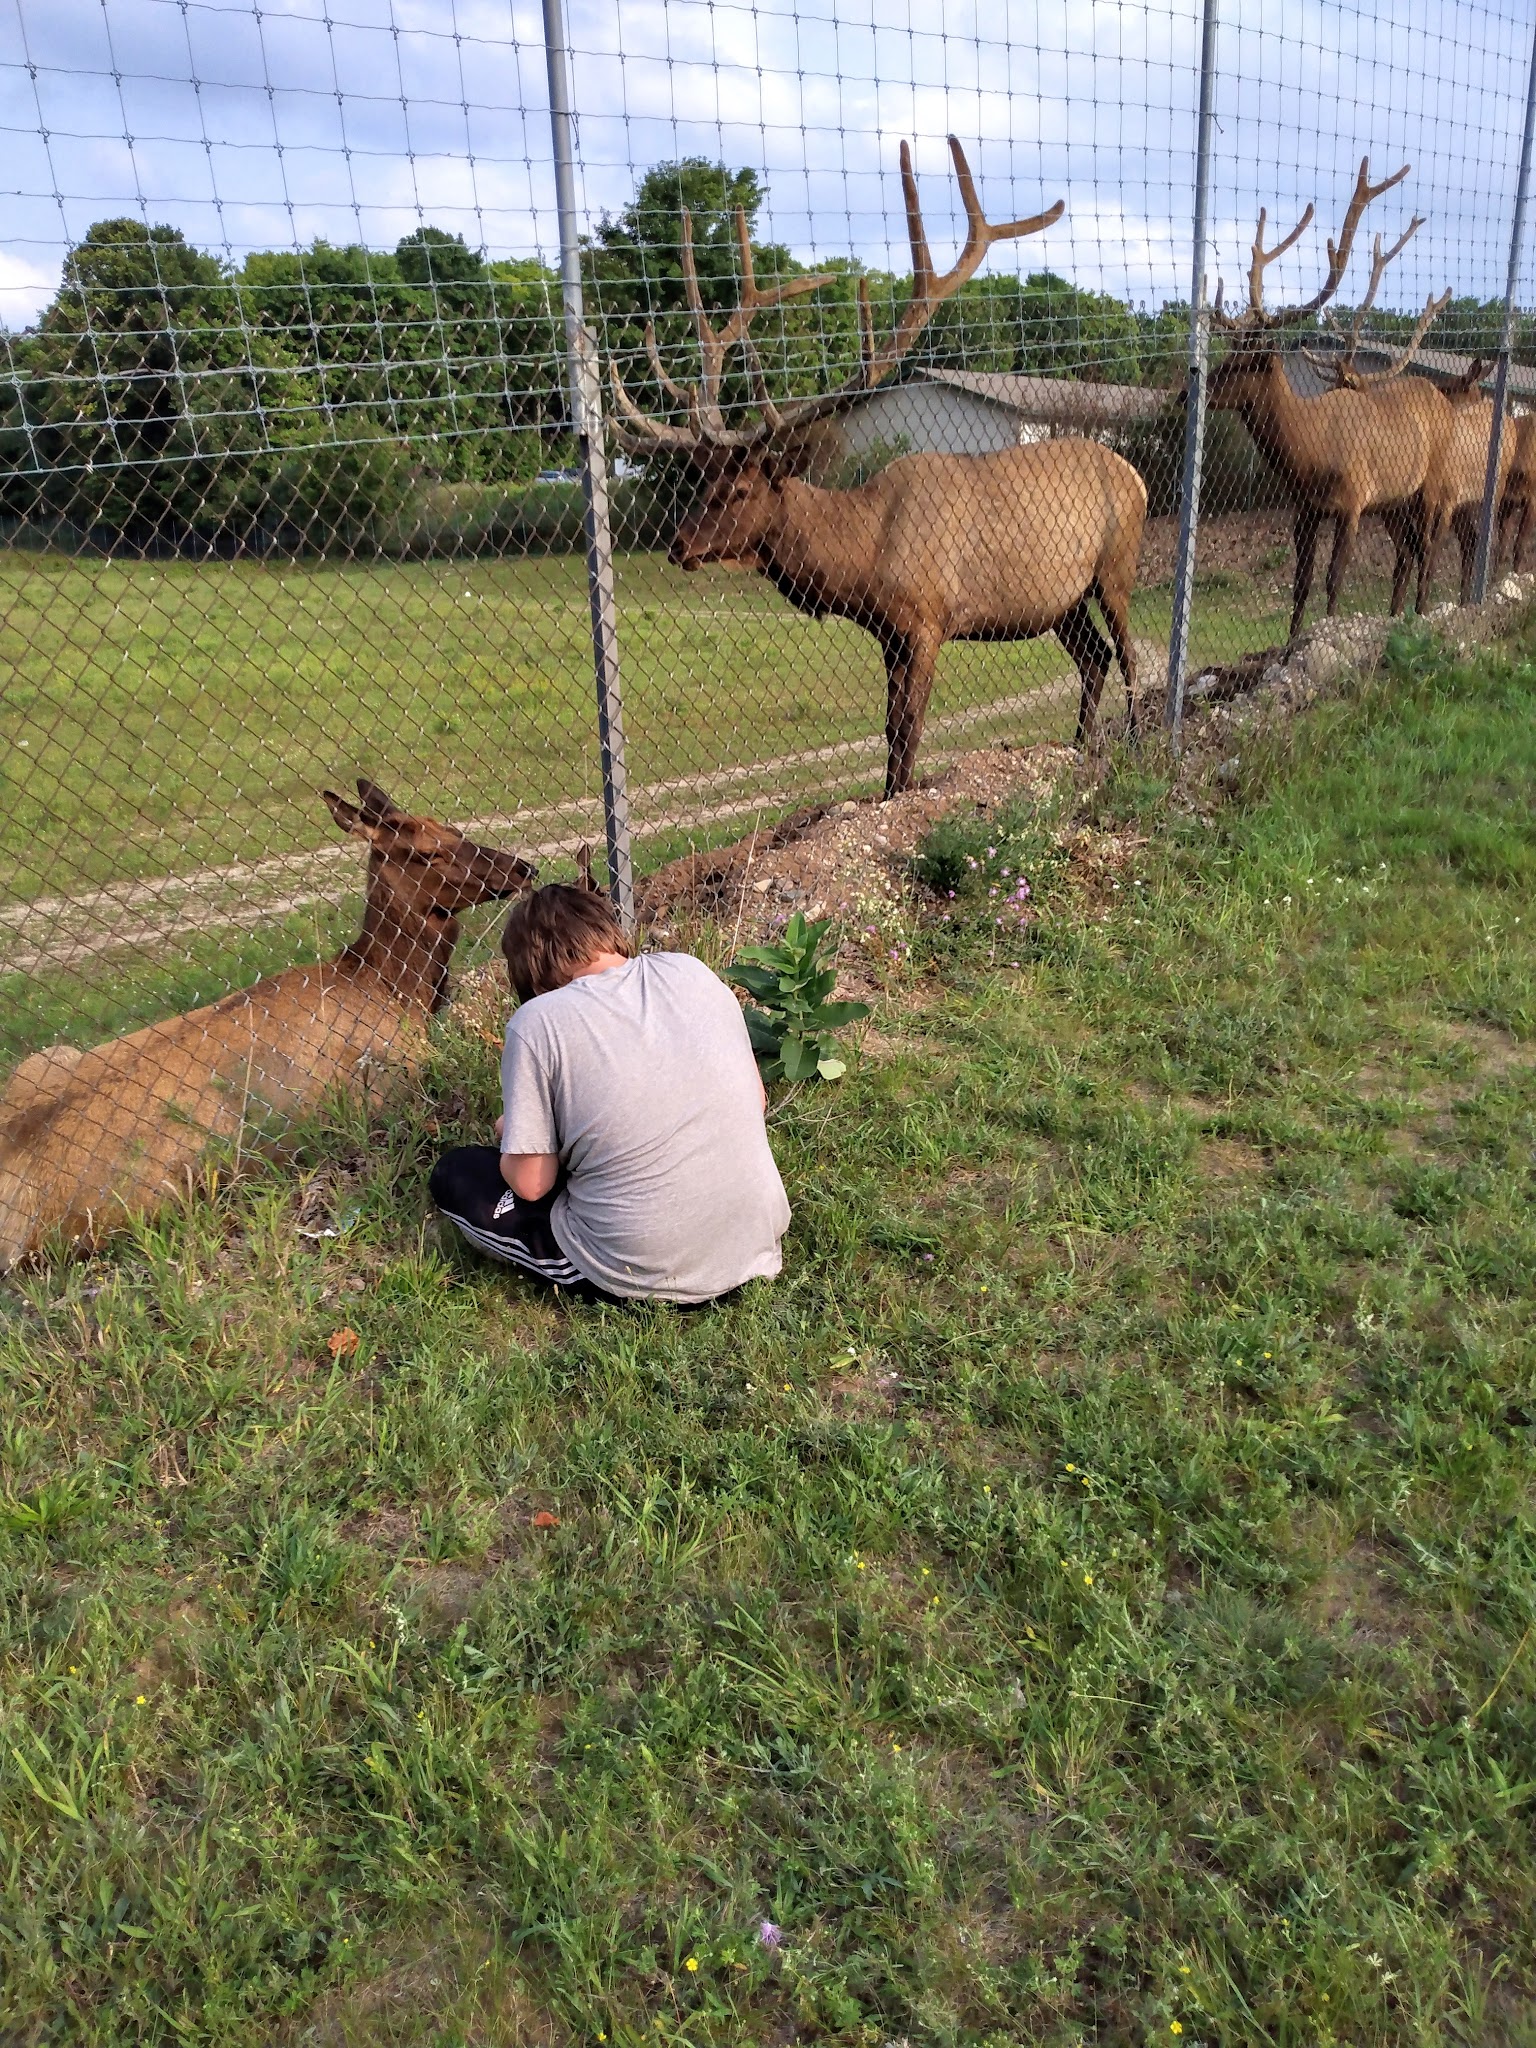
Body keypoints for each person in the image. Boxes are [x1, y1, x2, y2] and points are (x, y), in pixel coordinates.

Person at [429, 883, 790, 1304]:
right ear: (605, 931)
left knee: (456, 1172)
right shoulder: (692, 971)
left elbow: (531, 1184)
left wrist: (522, 1137)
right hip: (755, 1239)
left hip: (638, 1266)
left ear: (530, 973)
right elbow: (757, 1100)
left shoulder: (537, 1021)